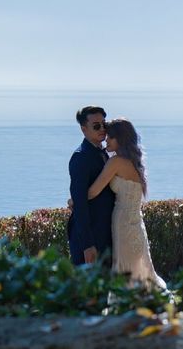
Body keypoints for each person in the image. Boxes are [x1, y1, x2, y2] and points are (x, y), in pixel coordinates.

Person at [85, 118, 166, 289]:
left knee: (125, 269)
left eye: (110, 137)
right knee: (137, 267)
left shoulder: (115, 162)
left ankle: (126, 306)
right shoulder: (134, 162)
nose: (106, 140)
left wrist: (74, 200)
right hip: (136, 223)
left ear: (119, 139)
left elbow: (93, 191)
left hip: (123, 223)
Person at [68, 105, 115, 266]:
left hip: (106, 234)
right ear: (83, 129)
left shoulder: (104, 153)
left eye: (104, 124)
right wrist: (87, 245)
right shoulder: (81, 157)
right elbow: (79, 205)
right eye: (96, 126)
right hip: (91, 239)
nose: (102, 129)